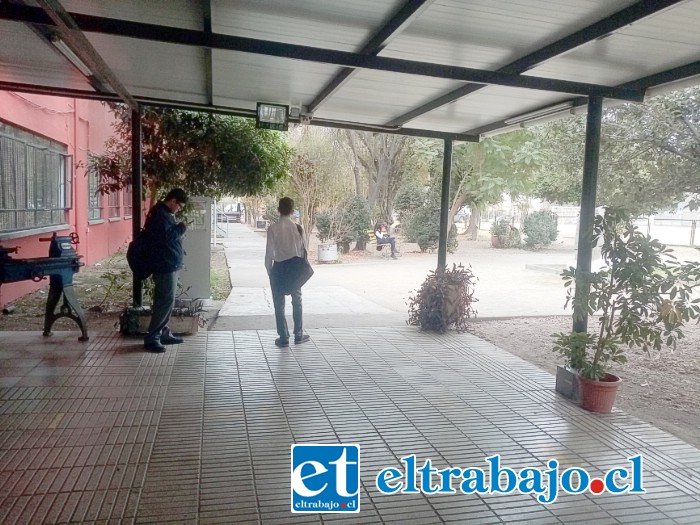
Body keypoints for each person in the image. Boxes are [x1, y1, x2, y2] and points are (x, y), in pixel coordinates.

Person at [143, 188, 189, 353]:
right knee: (165, 302)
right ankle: (152, 338)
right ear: (173, 200)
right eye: (180, 206)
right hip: (164, 265)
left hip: (169, 264)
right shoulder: (160, 215)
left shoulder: (164, 213)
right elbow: (165, 238)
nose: (179, 209)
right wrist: (181, 228)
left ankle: (162, 332)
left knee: (165, 302)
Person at [265, 197, 310, 348]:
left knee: (279, 304)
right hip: (295, 268)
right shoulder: (299, 228)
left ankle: (283, 336)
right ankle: (298, 334)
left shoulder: (272, 229)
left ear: (278, 210)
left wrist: (270, 271)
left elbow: (269, 253)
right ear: (292, 211)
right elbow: (304, 251)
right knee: (297, 301)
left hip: (278, 268)